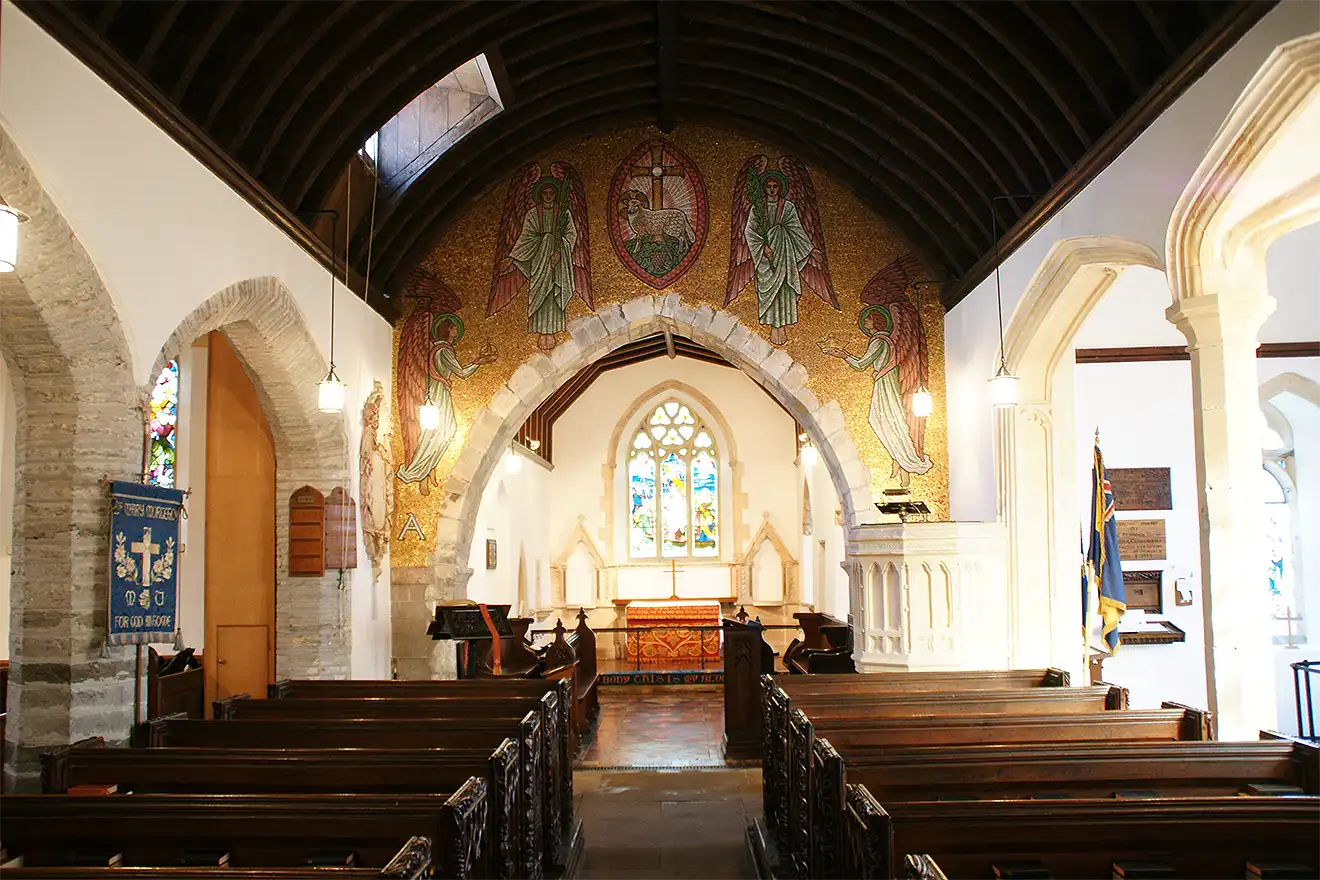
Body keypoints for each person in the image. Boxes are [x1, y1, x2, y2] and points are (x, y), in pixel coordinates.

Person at [821, 306, 932, 487]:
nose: (865, 321)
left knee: (890, 421)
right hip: (884, 380)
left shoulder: (879, 341)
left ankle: (905, 465)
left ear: (876, 321)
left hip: (886, 382)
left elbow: (861, 364)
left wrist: (842, 354)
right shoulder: (881, 340)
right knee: (884, 420)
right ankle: (897, 459)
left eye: (868, 318)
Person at [396, 315, 496, 494]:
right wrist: (480, 361)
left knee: (442, 432)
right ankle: (420, 472)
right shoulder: (443, 351)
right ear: (447, 330)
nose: (457, 330)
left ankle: (429, 469)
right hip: (437, 393)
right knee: (440, 432)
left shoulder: (442, 349)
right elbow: (462, 372)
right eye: (454, 327)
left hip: (439, 390)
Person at [743, 171, 823, 346]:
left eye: (775, 186)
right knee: (768, 290)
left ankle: (783, 328)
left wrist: (811, 250)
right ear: (764, 189)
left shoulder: (788, 207)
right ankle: (773, 328)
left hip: (785, 256)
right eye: (769, 187)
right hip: (766, 258)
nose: (772, 189)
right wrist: (762, 247)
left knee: (785, 288)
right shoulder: (757, 208)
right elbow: (749, 231)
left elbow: (797, 230)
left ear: (780, 188)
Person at [502, 179, 579, 350]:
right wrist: (513, 257)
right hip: (540, 261)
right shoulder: (532, 214)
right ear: (540, 195)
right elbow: (526, 237)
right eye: (545, 193)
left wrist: (560, 251)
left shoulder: (564, 213)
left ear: (556, 195)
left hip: (559, 264)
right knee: (540, 293)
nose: (549, 196)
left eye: (551, 193)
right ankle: (540, 331)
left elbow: (571, 234)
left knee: (554, 293)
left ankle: (552, 331)